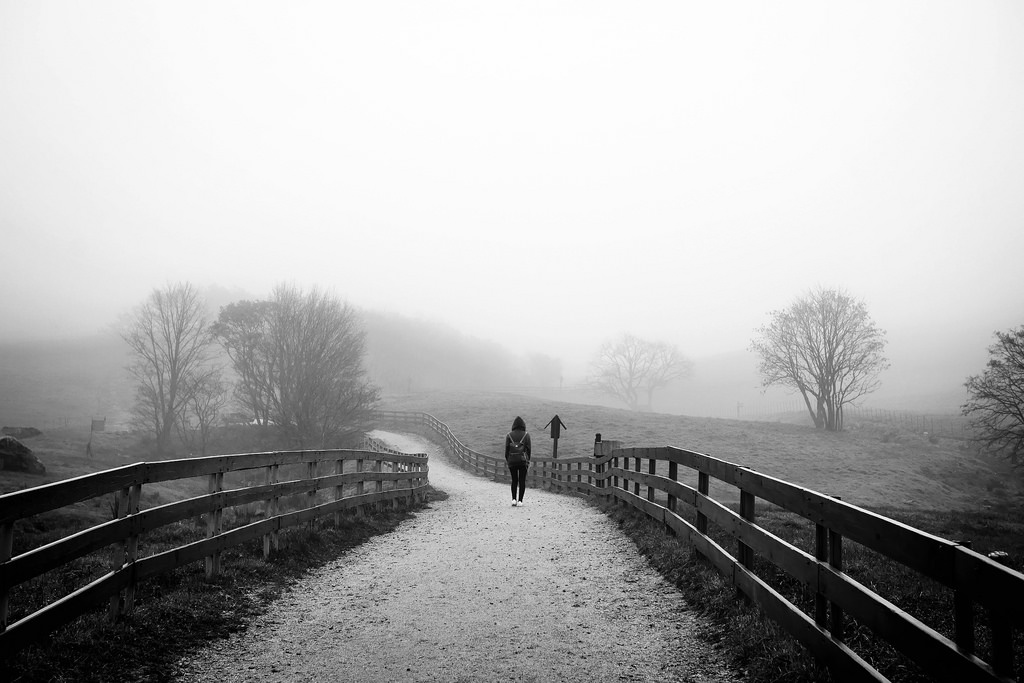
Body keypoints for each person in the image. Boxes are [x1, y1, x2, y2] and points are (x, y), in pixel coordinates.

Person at [504, 416, 531, 506]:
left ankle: (513, 499)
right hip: (523, 461)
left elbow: (507, 450)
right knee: (522, 480)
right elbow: (529, 449)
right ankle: (520, 501)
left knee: (514, 480)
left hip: (512, 461)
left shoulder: (509, 435)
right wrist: (528, 460)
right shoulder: (526, 435)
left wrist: (508, 460)